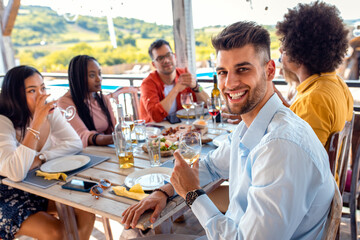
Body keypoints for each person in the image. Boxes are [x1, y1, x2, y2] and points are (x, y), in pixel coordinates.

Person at [121, 21, 335, 239]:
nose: (230, 83)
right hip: (234, 228)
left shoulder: (280, 146)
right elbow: (212, 165)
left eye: (242, 69)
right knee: (135, 232)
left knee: (131, 235)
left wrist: (192, 194)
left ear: (269, 70)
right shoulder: (250, 127)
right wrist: (164, 190)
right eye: (222, 72)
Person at [0, 65, 95, 240]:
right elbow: (16, 172)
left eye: (43, 87)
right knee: (56, 232)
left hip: (37, 186)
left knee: (86, 211)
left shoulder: (48, 111)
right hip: (6, 194)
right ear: (15, 94)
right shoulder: (3, 121)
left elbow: (74, 143)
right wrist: (36, 123)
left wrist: (42, 157)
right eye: (32, 90)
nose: (41, 95)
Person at [276, 1, 354, 148]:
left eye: (285, 41)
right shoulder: (337, 83)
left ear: (300, 49)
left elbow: (297, 161)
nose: (280, 49)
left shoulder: (313, 100)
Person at [139, 39, 209, 123]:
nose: (166, 60)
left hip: (179, 128)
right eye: (160, 58)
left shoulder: (183, 74)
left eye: (168, 55)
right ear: (154, 65)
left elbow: (208, 105)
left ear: (174, 56)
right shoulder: (148, 83)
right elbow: (156, 116)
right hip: (154, 131)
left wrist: (196, 87)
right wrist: (176, 89)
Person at [58, 55, 116, 147]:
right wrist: (116, 138)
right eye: (92, 75)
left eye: (99, 74)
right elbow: (83, 135)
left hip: (104, 150)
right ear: (78, 78)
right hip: (83, 154)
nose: (99, 79)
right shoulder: (65, 103)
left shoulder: (103, 99)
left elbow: (113, 129)